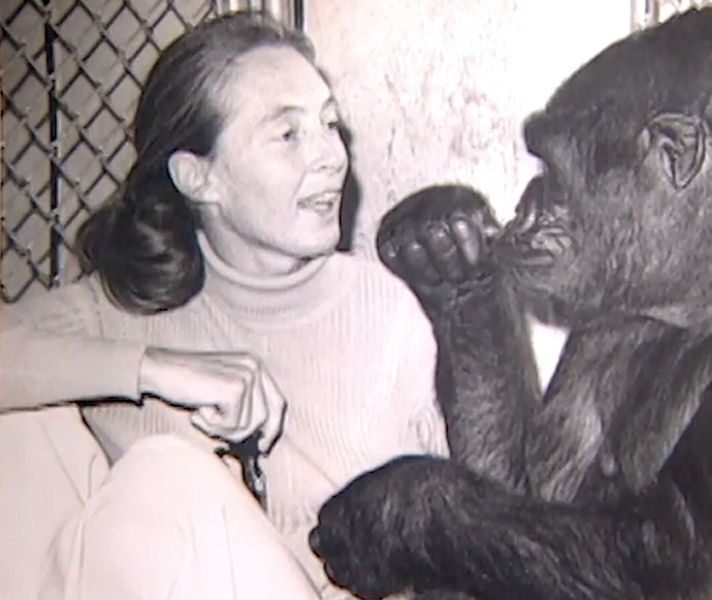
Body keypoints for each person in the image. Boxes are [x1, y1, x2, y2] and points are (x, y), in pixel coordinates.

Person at [0, 10, 446, 600]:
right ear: (197, 177)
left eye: (329, 124)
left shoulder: (382, 312)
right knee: (24, 427)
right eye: (288, 135)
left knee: (169, 473)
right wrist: (153, 368)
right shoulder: (129, 306)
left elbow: (445, 562)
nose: (331, 156)